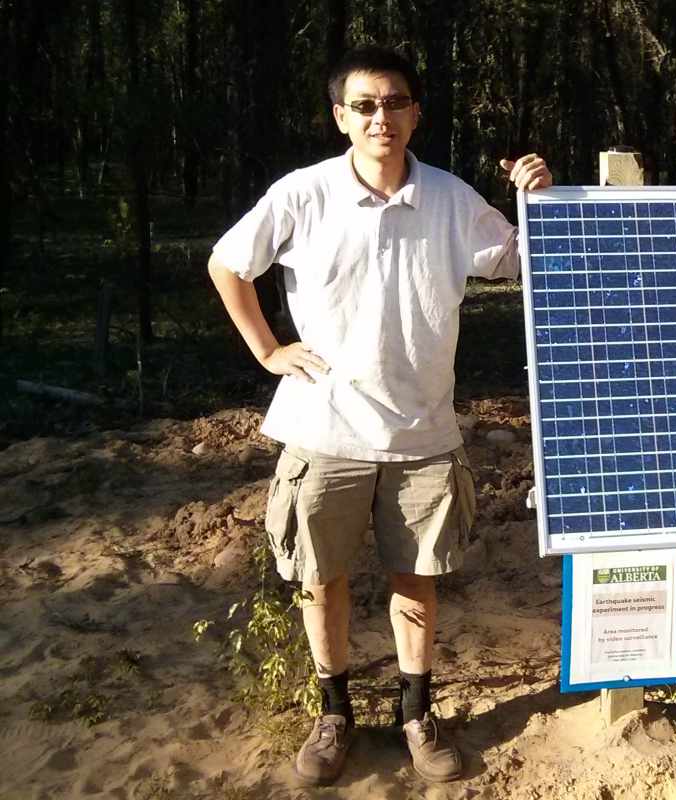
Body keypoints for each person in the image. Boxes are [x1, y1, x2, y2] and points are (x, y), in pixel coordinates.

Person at [207, 46, 552, 786]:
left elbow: (524, 258)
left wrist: (538, 200)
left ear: (415, 113)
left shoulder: (454, 200)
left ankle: (417, 713)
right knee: (321, 580)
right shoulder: (303, 194)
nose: (380, 117)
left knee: (415, 579)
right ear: (341, 117)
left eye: (395, 103)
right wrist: (268, 351)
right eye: (364, 105)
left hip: (422, 434)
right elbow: (229, 263)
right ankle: (333, 713)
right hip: (323, 429)